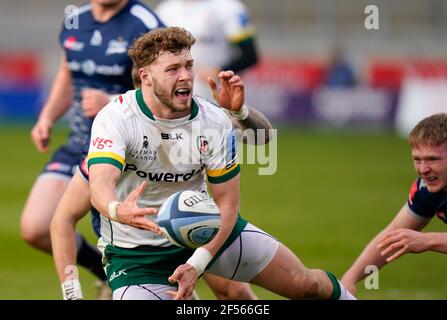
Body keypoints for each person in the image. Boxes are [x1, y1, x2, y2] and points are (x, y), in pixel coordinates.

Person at [87, 27, 355, 300]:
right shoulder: (116, 117)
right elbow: (99, 184)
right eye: (172, 69)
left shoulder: (213, 120)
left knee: (306, 285)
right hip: (137, 255)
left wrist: (197, 263)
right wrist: (117, 210)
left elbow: (228, 203)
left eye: (189, 66)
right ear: (145, 76)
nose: (185, 76)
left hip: (204, 228)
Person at [50, 66, 272, 300]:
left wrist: (239, 113)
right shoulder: (116, 137)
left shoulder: (193, 117)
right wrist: (72, 294)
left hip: (193, 228)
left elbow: (264, 136)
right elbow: (62, 219)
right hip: (140, 253)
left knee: (235, 291)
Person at [20, 0, 165, 297]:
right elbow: (66, 73)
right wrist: (47, 117)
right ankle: (102, 270)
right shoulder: (75, 17)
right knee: (34, 228)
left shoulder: (145, 22)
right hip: (79, 144)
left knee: (139, 243)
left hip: (128, 148)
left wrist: (112, 101)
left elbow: (163, 91)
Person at [341, 113, 447, 295]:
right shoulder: (426, 189)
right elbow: (393, 235)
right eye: (417, 159)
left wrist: (428, 241)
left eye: (432, 159)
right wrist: (348, 281)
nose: (423, 169)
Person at [155, 0, 258, 100]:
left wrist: (219, 71)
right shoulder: (165, 9)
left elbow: (250, 55)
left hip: (217, 96)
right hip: (176, 95)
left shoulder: (230, 7)